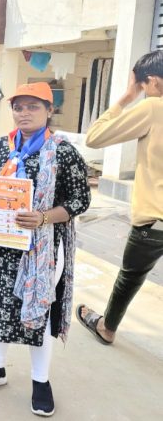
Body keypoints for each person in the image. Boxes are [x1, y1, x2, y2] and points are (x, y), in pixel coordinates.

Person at [0, 82, 90, 417]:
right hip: (0, 245)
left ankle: (41, 380)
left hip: (42, 249)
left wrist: (43, 217)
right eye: (18, 107)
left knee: (39, 311)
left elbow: (80, 200)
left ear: (49, 110)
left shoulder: (62, 152)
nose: (24, 113)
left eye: (33, 106)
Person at [77, 50, 163, 345]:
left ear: (152, 81)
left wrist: (127, 97)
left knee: (131, 277)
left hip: (155, 222)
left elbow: (95, 137)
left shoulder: (153, 107)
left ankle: (107, 327)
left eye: (142, 85)